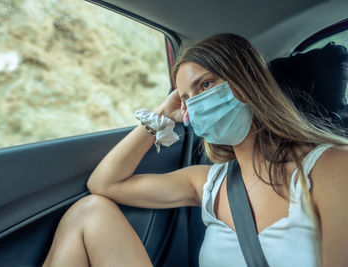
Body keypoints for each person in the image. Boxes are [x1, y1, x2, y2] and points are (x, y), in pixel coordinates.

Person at [43, 33, 348, 267]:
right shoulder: (206, 182)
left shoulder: (331, 166)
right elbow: (104, 184)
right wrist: (161, 114)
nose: (194, 104)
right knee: (89, 212)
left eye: (205, 86)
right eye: (186, 98)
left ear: (246, 82)